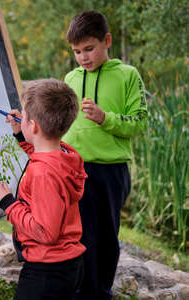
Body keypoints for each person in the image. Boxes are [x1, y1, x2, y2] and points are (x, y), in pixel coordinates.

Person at [62, 10, 148, 300]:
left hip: (111, 172)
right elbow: (62, 125)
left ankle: (100, 293)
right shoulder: (70, 78)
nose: (83, 57)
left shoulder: (127, 75)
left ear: (107, 40)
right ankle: (79, 292)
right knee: (79, 235)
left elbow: (140, 123)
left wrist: (105, 118)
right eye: (77, 51)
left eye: (89, 49)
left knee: (106, 237)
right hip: (75, 169)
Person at [0, 78, 87, 300]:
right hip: (66, 264)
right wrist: (21, 134)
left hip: (47, 270)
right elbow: (42, 151)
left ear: (34, 125)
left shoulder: (43, 174)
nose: (20, 117)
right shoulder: (65, 156)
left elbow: (45, 232)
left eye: (24, 115)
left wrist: (7, 202)